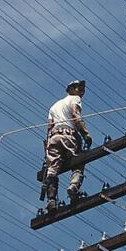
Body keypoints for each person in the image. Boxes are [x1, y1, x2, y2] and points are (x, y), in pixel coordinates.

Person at [42, 80, 92, 213]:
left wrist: (47, 150)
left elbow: (49, 127)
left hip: (53, 137)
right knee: (78, 161)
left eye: (82, 89)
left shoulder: (53, 106)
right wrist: (86, 134)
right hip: (68, 135)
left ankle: (51, 200)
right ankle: (74, 187)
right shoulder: (74, 99)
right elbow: (76, 115)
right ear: (71, 90)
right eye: (78, 88)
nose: (81, 91)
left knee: (52, 170)